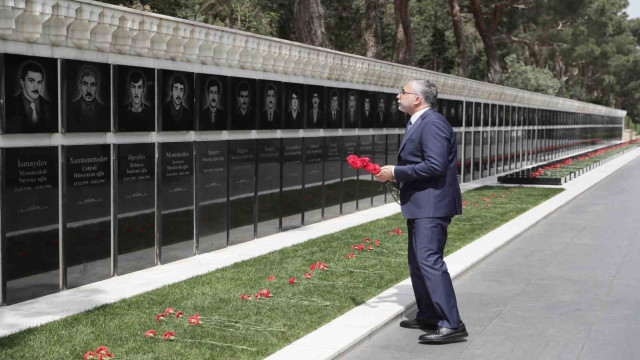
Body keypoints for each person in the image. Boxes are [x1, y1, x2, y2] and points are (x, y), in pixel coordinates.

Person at [374, 80, 466, 344]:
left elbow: (435, 166)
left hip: (432, 205)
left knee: (429, 262)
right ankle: (428, 314)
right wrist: (393, 175)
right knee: (417, 263)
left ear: (417, 99)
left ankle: (452, 324)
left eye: (402, 92)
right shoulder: (418, 122)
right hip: (420, 203)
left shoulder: (433, 123)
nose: (397, 95)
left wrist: (396, 172)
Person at [6, 61, 56, 133]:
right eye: (31, 81)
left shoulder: (50, 106)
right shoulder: (9, 105)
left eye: (39, 82)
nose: (36, 87)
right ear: (22, 82)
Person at [67, 66, 108, 132]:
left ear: (97, 87)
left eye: (92, 85)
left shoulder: (105, 111)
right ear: (80, 85)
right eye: (85, 84)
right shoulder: (70, 108)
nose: (88, 90)